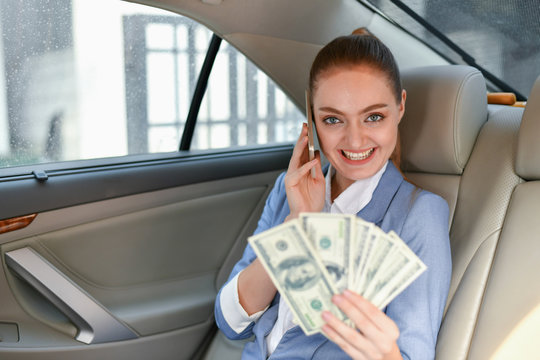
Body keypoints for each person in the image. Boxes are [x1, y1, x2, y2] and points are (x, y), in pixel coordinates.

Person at [214, 29, 452, 360]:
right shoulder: (289, 191)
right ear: (312, 122)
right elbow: (230, 321)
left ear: (400, 107)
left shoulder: (419, 214)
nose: (355, 141)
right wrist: (297, 225)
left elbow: (412, 355)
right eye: (333, 119)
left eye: (373, 117)